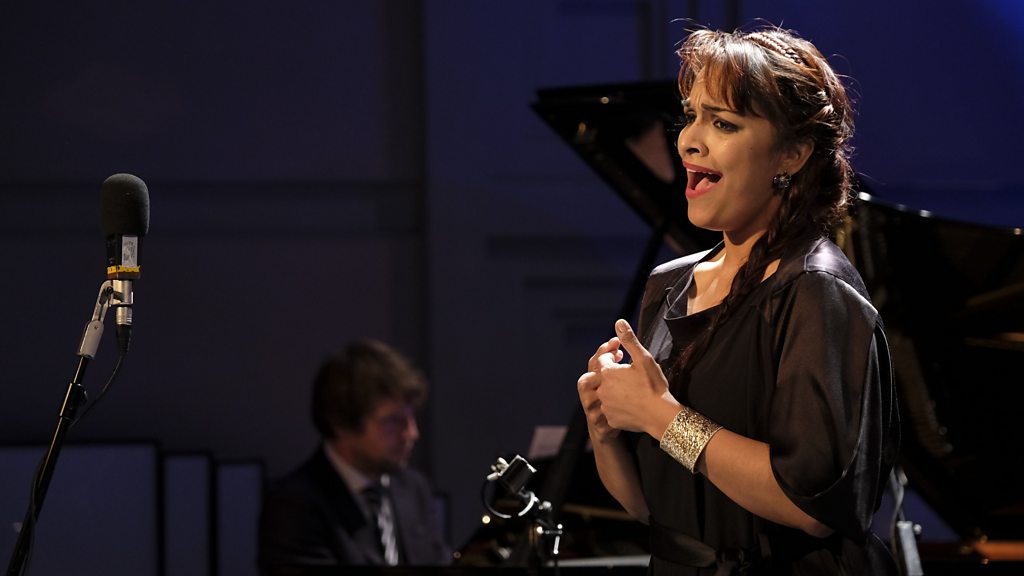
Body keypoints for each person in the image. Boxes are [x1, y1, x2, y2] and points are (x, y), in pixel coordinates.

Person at [577, 26, 900, 575]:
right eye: (691, 116)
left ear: (792, 154)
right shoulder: (669, 285)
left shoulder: (814, 289)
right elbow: (657, 511)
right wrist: (605, 431)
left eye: (723, 123)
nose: (688, 140)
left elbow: (809, 505)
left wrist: (662, 416)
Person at [259, 339, 451, 573]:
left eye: (411, 418)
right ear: (342, 424)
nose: (411, 433)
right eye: (393, 421)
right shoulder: (294, 508)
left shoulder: (413, 489)